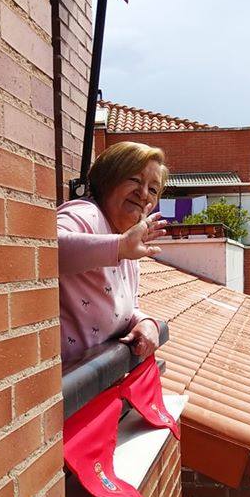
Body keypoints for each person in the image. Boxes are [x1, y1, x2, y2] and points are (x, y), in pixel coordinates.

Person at [57, 141, 169, 364]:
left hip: (95, 386)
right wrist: (119, 246)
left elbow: (127, 310)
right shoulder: (85, 213)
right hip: (68, 389)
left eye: (153, 189)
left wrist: (146, 322)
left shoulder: (126, 241)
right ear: (108, 180)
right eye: (134, 180)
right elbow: (45, 250)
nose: (144, 193)